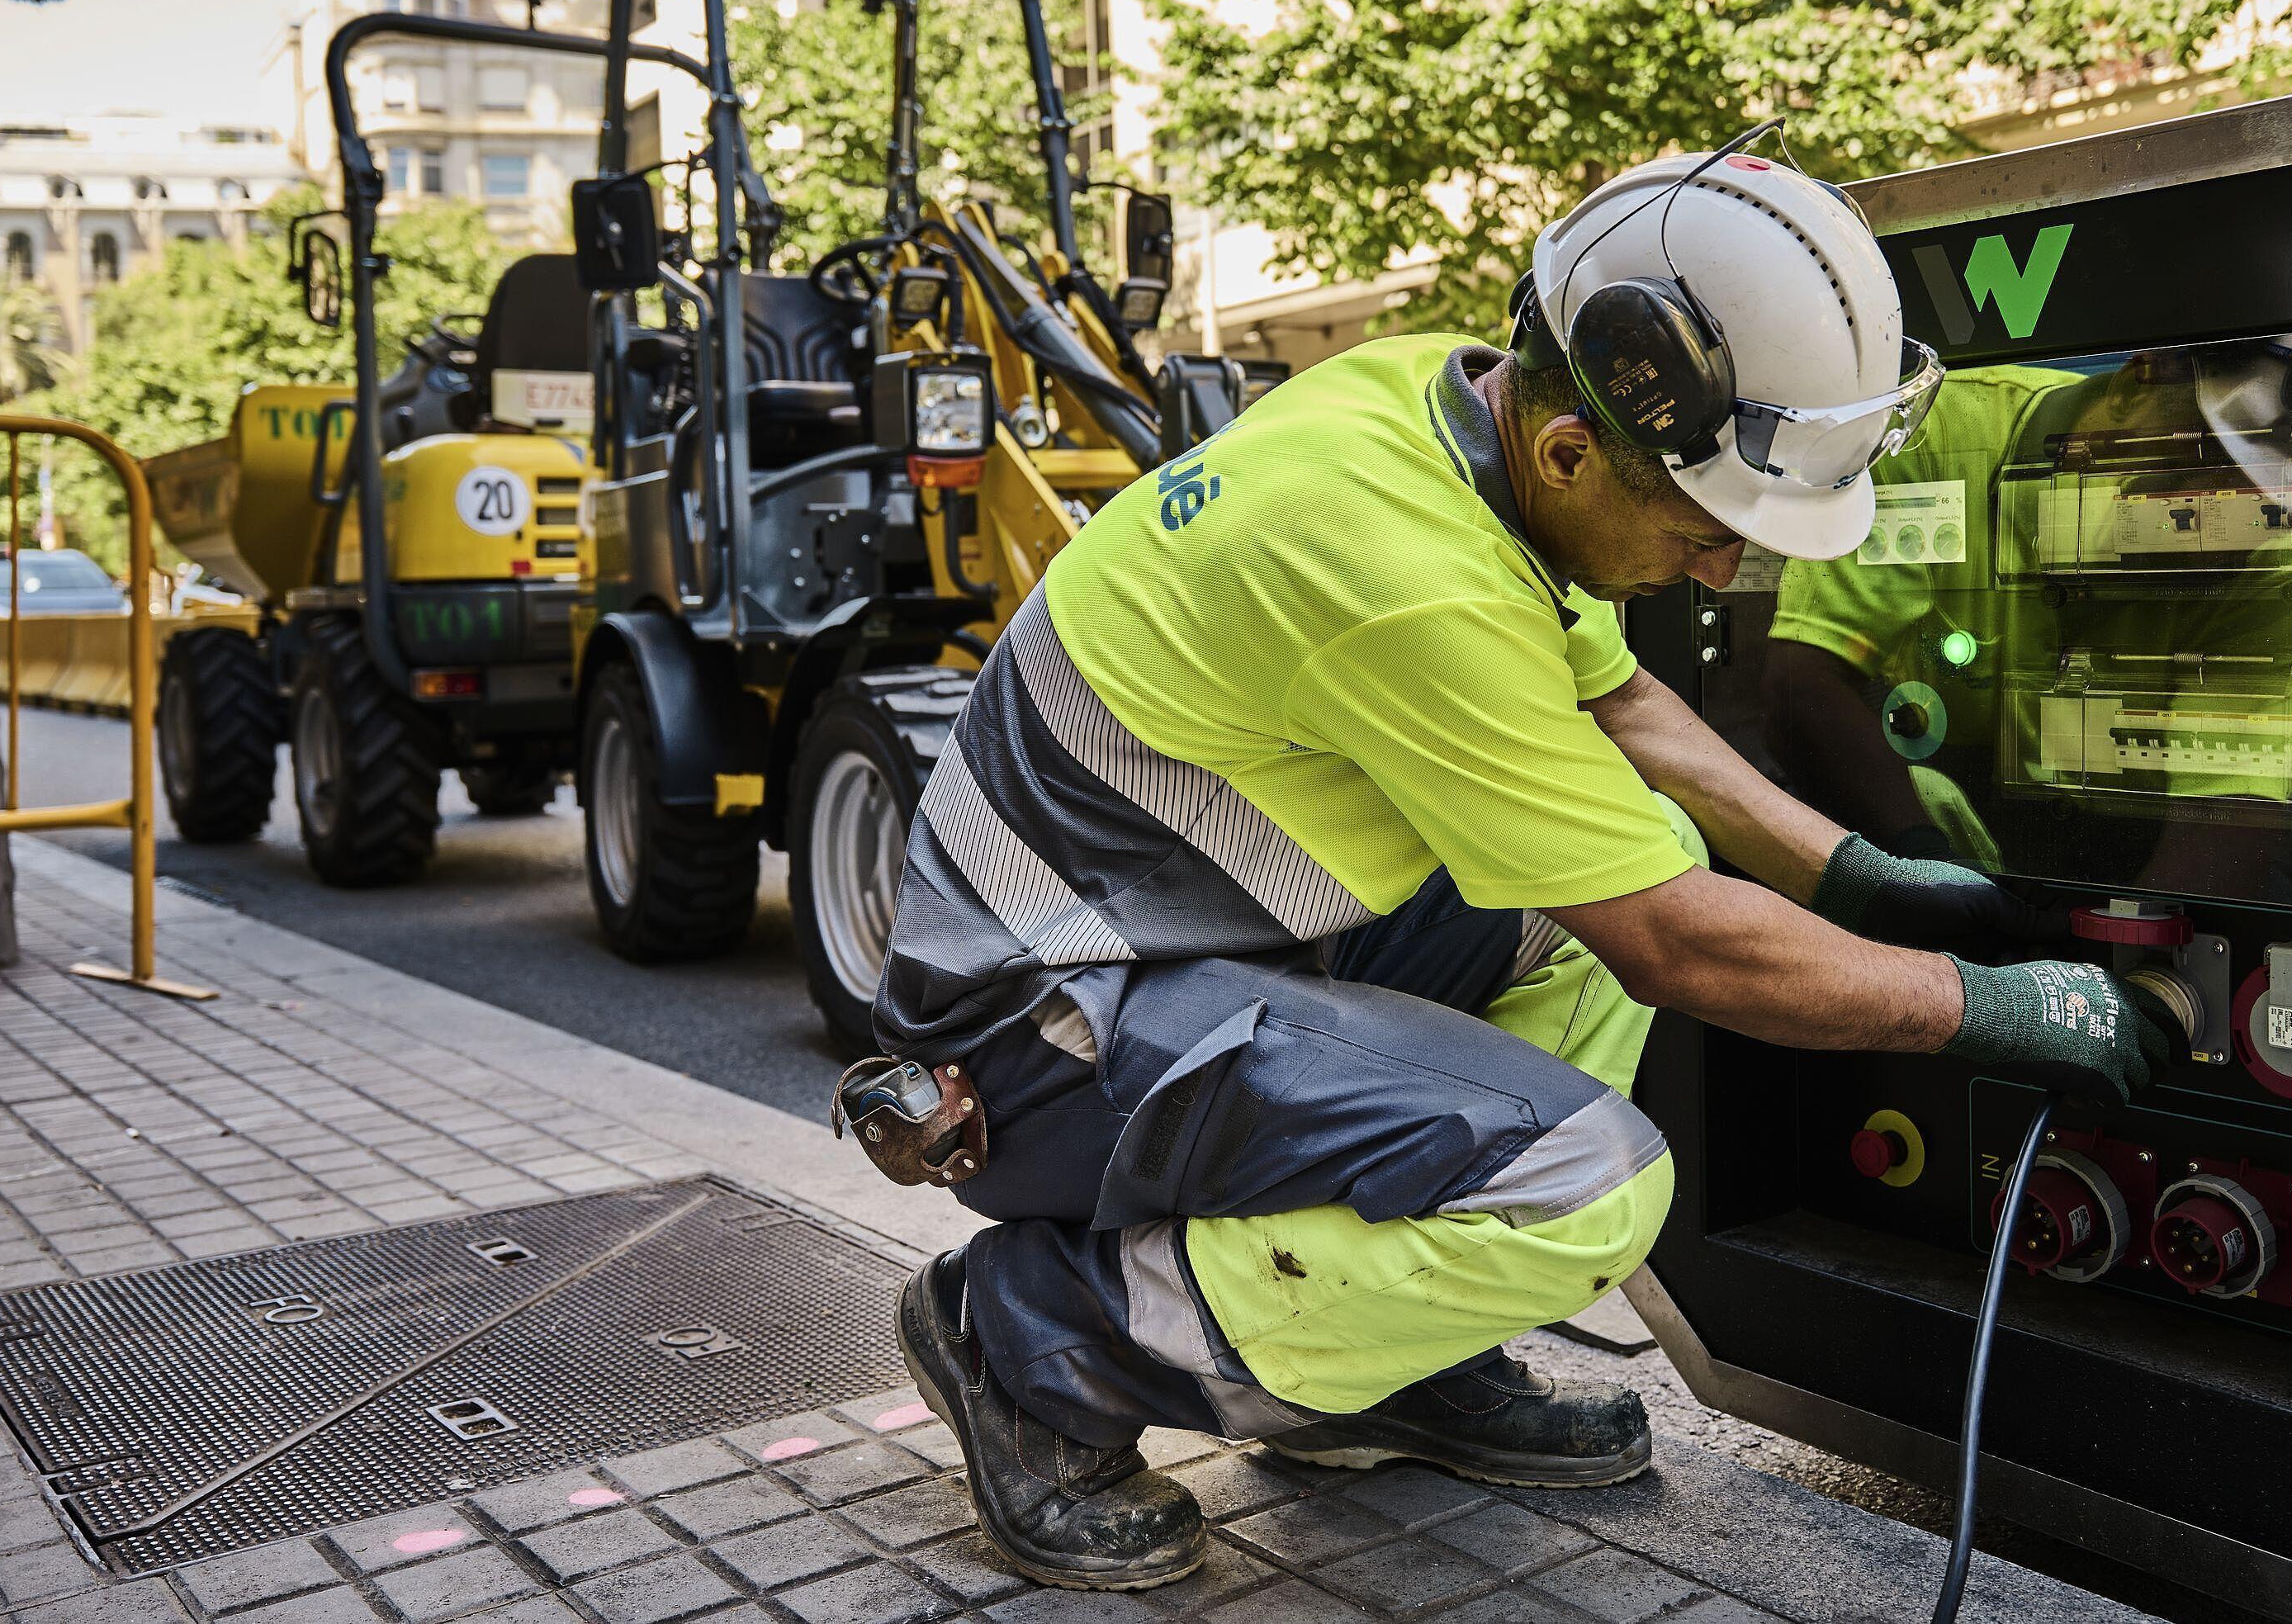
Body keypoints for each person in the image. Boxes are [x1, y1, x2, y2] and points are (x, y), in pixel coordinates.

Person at [864, 144, 2182, 1591]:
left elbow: (1625, 709)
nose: (1720, 575)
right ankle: (1030, 1340)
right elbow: (1678, 943)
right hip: (1042, 1019)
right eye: (1704, 533)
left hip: (1185, 937)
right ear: (1568, 455)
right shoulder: (1406, 574)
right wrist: (1990, 1006)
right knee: (1585, 1185)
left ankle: (1377, 1359)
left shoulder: (1454, 407)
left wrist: (1854, 875)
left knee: (1620, 873)